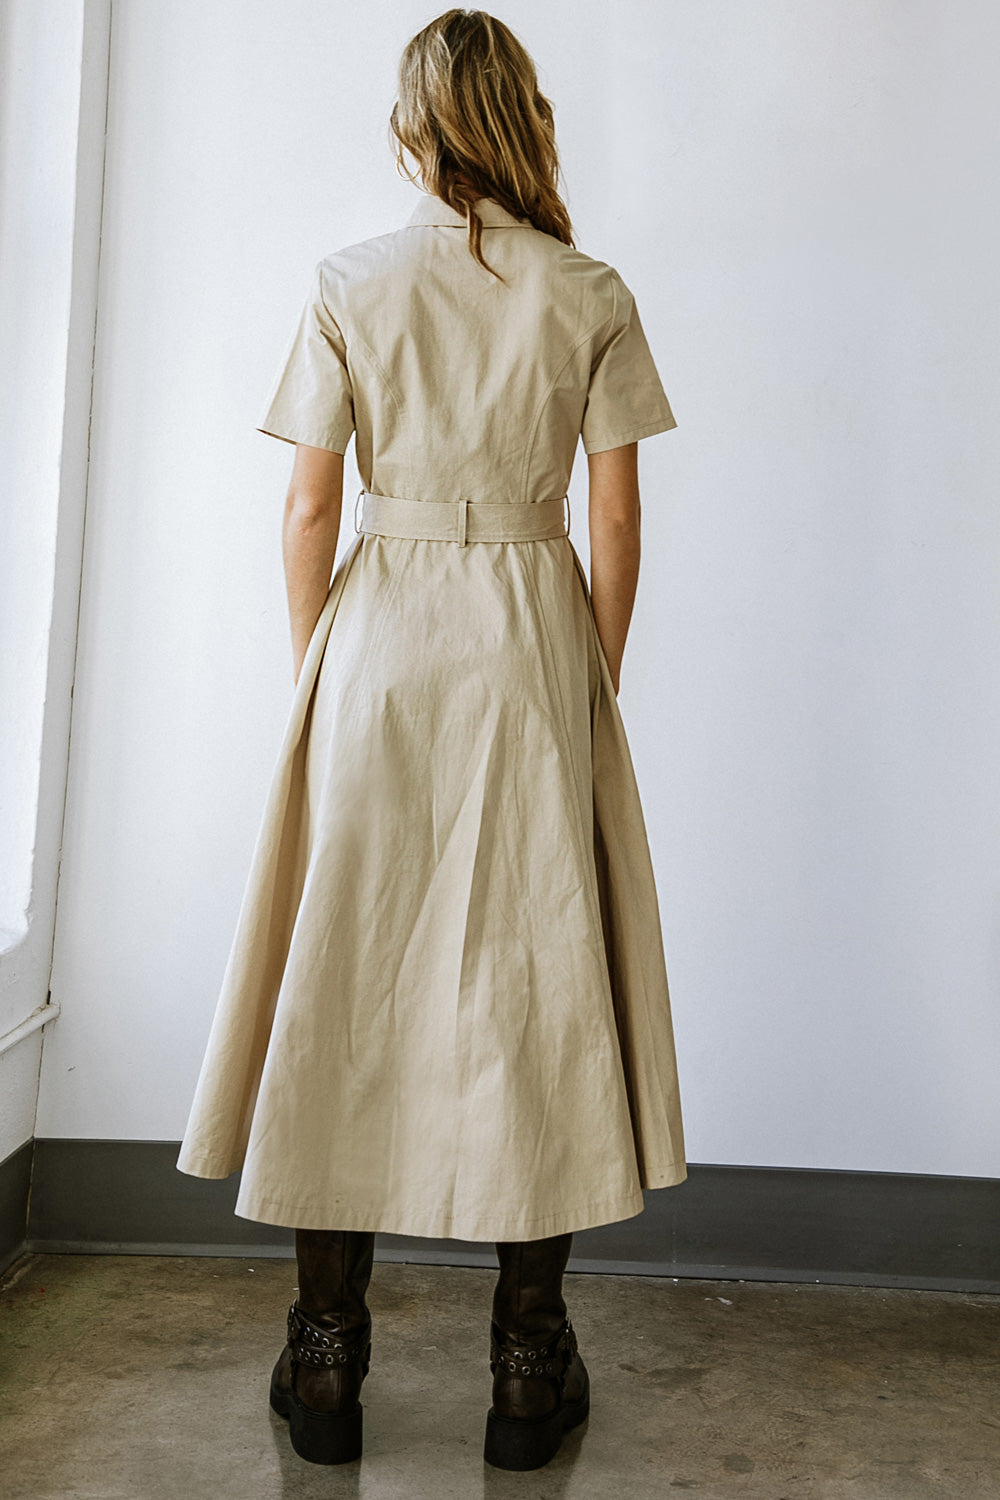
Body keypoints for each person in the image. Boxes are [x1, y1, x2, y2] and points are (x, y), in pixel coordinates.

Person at [176, 6, 686, 1473]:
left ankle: (326, 1360)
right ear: (522, 117)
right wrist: (590, 677)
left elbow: (310, 509)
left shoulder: (352, 281)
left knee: (345, 972)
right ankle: (527, 1367)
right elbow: (618, 518)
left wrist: (319, 674)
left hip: (382, 640)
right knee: (543, 985)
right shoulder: (587, 289)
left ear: (414, 126)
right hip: (531, 638)